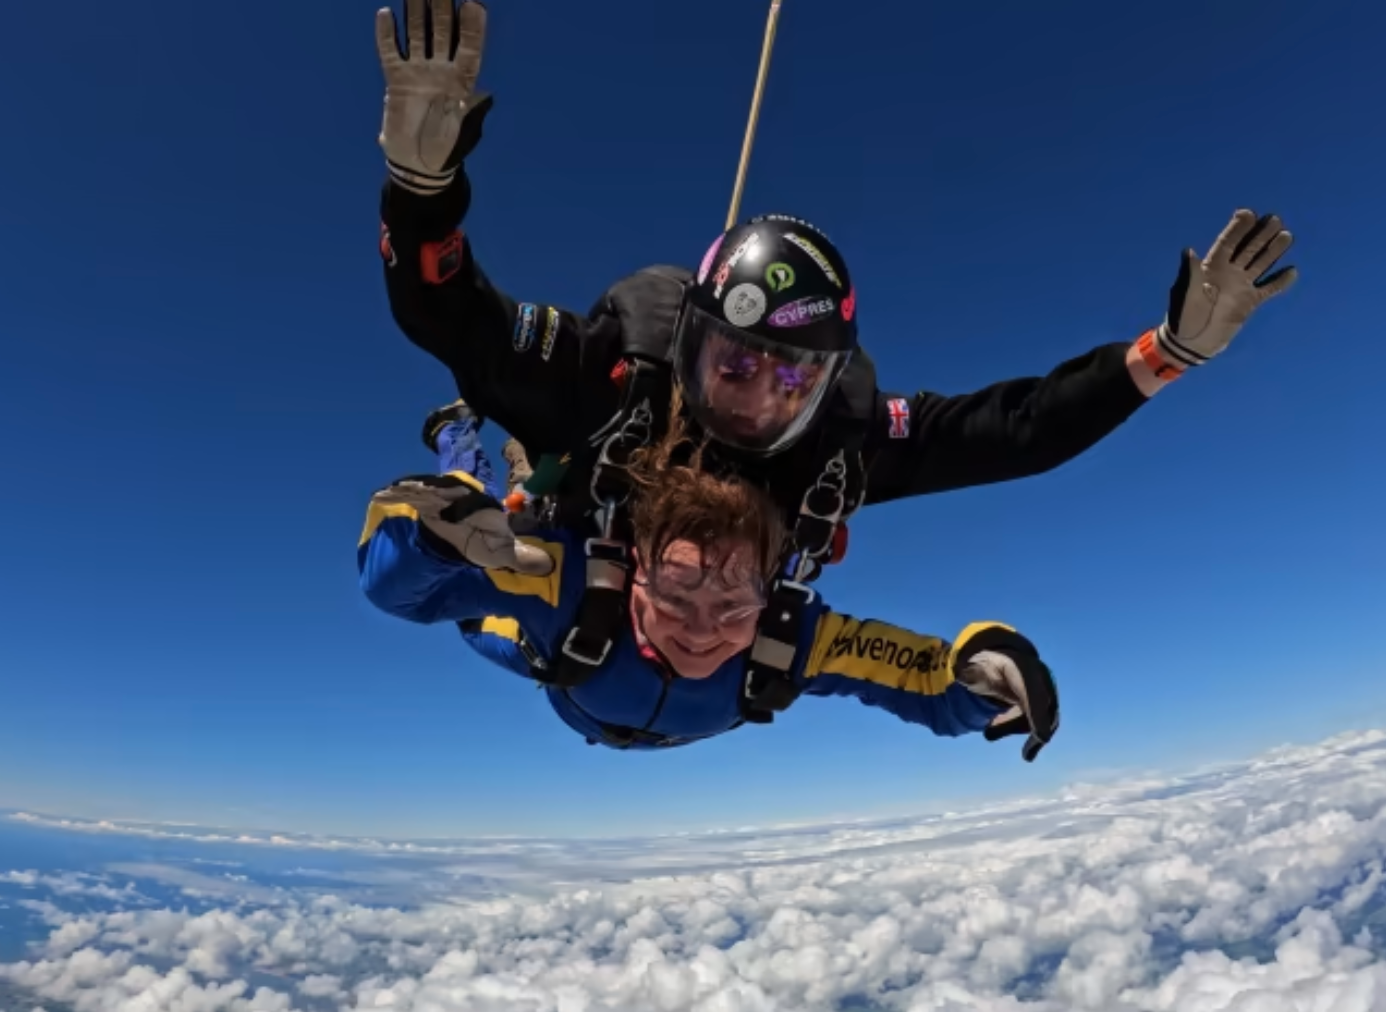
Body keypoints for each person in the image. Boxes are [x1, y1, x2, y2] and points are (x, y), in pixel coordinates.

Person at [371, 0, 1297, 714]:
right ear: (692, 341)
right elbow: (457, 319)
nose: (759, 401)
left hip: (645, 654)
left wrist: (1167, 353)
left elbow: (1017, 431)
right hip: (576, 564)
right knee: (491, 509)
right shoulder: (614, 381)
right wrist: (423, 191)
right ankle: (467, 450)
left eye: (794, 379)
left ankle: (472, 467)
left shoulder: (838, 451)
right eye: (738, 364)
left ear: (827, 380)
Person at [359, 397, 1062, 758]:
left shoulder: (791, 635)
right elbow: (404, 594)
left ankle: (515, 478)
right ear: (632, 570)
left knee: (505, 529)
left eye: (734, 603)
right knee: (492, 536)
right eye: (675, 589)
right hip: (551, 648)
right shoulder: (561, 585)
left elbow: (922, 677)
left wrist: (982, 673)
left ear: (774, 591)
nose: (702, 629)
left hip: (586, 691)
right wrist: (430, 542)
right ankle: (460, 442)